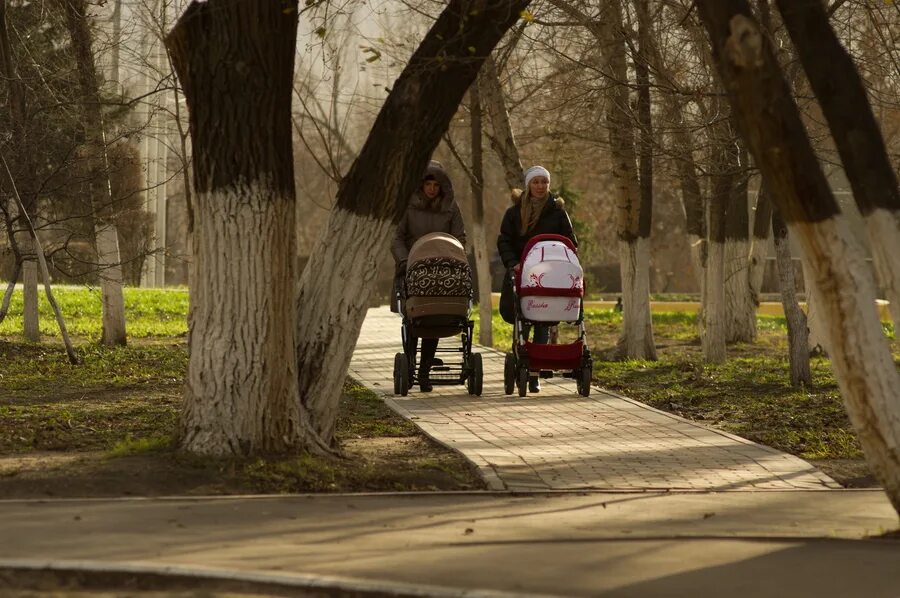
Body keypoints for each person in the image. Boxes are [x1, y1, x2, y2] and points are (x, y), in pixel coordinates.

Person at [497, 165, 577, 393]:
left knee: (544, 317)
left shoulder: (558, 212)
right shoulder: (514, 213)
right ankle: (522, 359)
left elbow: (570, 241)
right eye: (536, 182)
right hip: (522, 272)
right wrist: (514, 263)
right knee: (522, 318)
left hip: (550, 274)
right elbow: (504, 240)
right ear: (528, 185)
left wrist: (563, 262)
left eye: (544, 182)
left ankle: (536, 372)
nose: (540, 186)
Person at [392, 160, 466, 392]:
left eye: (436, 184)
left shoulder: (451, 208)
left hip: (443, 269)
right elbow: (396, 237)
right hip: (412, 268)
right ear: (420, 185)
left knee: (434, 317)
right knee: (414, 319)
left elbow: (459, 238)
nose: (432, 189)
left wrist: (455, 259)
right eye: (428, 184)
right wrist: (405, 261)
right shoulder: (408, 207)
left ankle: (423, 371)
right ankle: (411, 363)